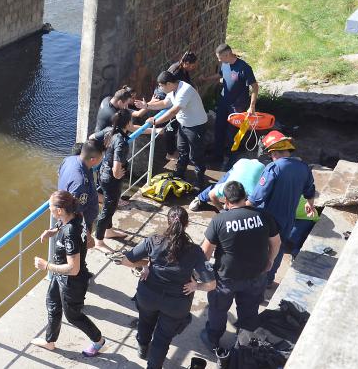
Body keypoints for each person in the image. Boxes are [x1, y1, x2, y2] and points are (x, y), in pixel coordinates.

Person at [117, 206, 216, 369]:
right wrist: (195, 286)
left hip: (148, 295)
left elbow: (126, 261)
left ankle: (142, 349)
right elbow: (211, 284)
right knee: (162, 338)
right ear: (187, 224)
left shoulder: (153, 241)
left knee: (145, 321)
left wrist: (147, 265)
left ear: (167, 221)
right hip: (176, 304)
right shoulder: (195, 251)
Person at [200, 181, 281, 350]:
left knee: (218, 310)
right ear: (245, 198)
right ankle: (245, 344)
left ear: (227, 202)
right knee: (250, 311)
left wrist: (201, 276)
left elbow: (205, 253)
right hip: (256, 275)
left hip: (226, 278)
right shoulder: (264, 216)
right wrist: (271, 260)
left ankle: (213, 338)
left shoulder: (220, 220)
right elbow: (276, 242)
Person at [32, 190, 106, 356]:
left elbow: (74, 268)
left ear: (59, 210)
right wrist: (54, 230)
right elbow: (89, 243)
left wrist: (46, 266)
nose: (49, 210)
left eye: (50, 207)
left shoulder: (71, 233)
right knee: (52, 304)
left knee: (73, 316)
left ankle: (98, 340)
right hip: (60, 278)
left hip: (72, 282)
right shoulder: (77, 216)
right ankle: (50, 341)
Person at [247, 131, 316, 287]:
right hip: (288, 220)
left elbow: (257, 198)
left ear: (275, 152)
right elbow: (310, 190)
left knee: (262, 249)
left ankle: (256, 281)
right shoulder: (304, 167)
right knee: (277, 249)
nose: (271, 157)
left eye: (271, 154)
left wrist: (237, 209)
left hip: (268, 220)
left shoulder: (274, 168)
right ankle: (269, 280)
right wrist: (309, 203)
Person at [143, 71, 209, 189]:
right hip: (184, 124)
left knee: (195, 155)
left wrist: (155, 122)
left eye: (161, 86)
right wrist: (147, 106)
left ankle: (199, 181)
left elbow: (173, 111)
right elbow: (164, 103)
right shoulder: (173, 89)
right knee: (182, 149)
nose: (160, 88)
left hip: (196, 126)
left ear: (168, 84)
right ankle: (179, 174)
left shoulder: (185, 90)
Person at [201, 44, 259, 170]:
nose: (219, 60)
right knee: (219, 128)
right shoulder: (225, 64)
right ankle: (218, 156)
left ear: (227, 54)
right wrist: (206, 79)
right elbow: (221, 75)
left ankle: (232, 160)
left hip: (237, 106)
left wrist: (252, 106)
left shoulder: (244, 68)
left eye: (220, 58)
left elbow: (254, 87)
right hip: (223, 103)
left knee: (233, 134)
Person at [142, 52, 199, 161]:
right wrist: (152, 111)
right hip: (166, 98)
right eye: (192, 65)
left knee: (173, 125)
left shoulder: (183, 69)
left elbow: (188, 82)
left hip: (171, 98)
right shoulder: (175, 71)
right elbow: (164, 90)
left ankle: (173, 149)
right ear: (186, 63)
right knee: (170, 127)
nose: (193, 67)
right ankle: (170, 152)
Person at [93, 109, 134, 253]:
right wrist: (117, 174)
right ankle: (98, 241)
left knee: (108, 206)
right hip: (111, 181)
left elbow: (92, 137)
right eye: (131, 121)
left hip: (102, 174)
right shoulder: (121, 141)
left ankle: (108, 231)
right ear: (128, 123)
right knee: (108, 209)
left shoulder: (110, 131)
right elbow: (116, 167)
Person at [58, 139, 105, 245]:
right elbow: (78, 213)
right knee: (78, 258)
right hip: (77, 229)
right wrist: (88, 236)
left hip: (67, 220)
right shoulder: (80, 181)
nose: (102, 160)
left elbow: (60, 174)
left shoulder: (69, 160)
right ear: (93, 159)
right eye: (101, 157)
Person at [189, 158, 265, 211]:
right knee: (218, 185)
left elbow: (254, 203)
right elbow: (211, 194)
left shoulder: (253, 194)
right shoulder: (225, 187)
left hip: (259, 167)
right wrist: (221, 210)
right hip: (241, 164)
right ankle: (199, 198)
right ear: (226, 199)